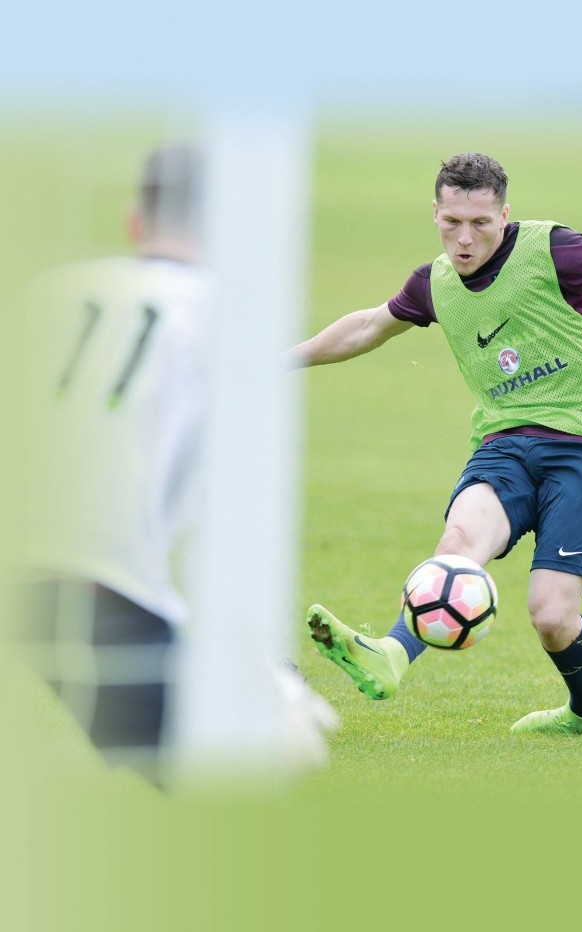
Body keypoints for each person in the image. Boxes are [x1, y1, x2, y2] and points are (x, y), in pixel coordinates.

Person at [290, 152, 582, 735]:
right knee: (457, 543)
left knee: (551, 616)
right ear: (434, 212)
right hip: (504, 444)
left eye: (480, 223)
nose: (464, 238)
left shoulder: (554, 249)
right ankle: (391, 654)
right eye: (452, 222)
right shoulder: (434, 283)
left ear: (504, 214)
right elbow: (369, 326)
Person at [14, 143, 336, 784]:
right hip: (91, 585)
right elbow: (226, 524)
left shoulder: (46, 292)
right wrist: (261, 673)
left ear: (136, 220)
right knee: (263, 763)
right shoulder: (228, 324)